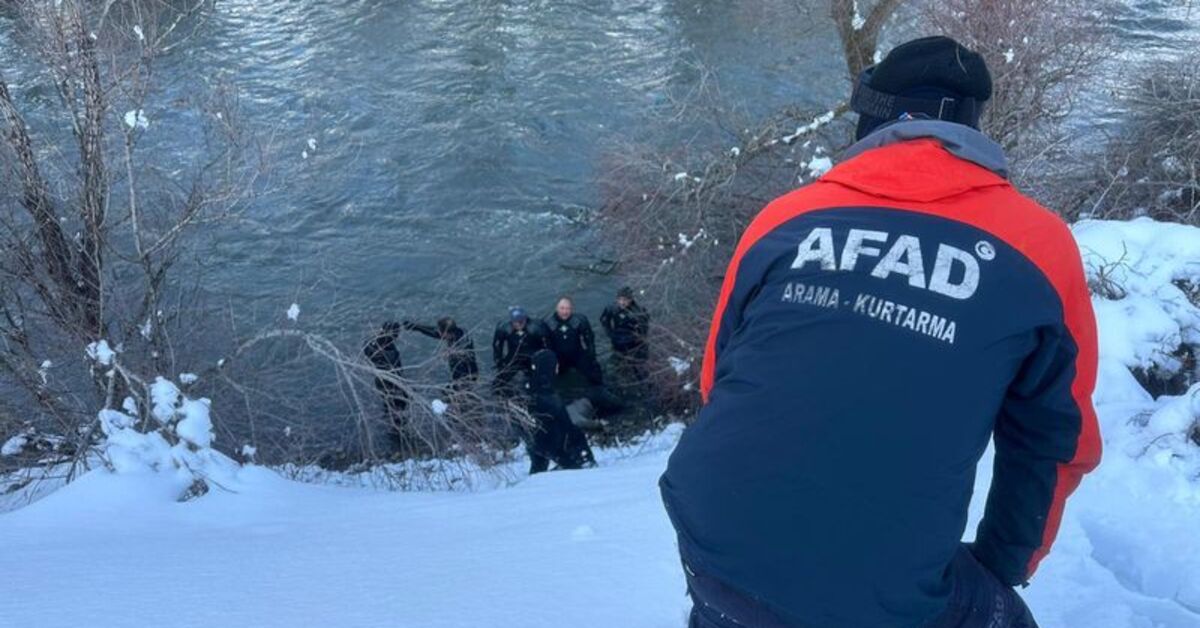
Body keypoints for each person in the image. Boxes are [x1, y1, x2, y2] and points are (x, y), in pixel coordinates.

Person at [659, 36, 1101, 628]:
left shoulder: (785, 217)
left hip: (712, 531)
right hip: (884, 585)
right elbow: (1052, 440)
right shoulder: (1038, 245)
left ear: (871, 117)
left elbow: (720, 380)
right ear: (973, 129)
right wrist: (1002, 563)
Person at [522, 348, 595, 474]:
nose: (557, 367)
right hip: (551, 444)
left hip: (537, 442)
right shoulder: (545, 391)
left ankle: (537, 474)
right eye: (555, 364)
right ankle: (582, 462)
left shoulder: (532, 385)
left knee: (538, 471)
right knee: (574, 438)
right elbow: (564, 424)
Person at [402, 317, 479, 385]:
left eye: (440, 331)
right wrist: (416, 327)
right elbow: (434, 331)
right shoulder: (457, 331)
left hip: (466, 376)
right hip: (465, 372)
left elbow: (461, 363)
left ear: (446, 333)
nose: (438, 333)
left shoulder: (460, 346)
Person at [492, 307, 548, 397]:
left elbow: (547, 345)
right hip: (514, 357)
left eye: (521, 321)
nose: (518, 324)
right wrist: (499, 362)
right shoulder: (504, 328)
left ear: (525, 319)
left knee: (541, 383)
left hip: (532, 357)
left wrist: (544, 362)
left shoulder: (537, 327)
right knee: (497, 383)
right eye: (515, 321)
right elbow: (497, 346)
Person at [544, 296, 602, 384]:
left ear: (572, 309)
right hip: (559, 357)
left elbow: (589, 339)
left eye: (568, 309)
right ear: (556, 308)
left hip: (577, 354)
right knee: (555, 381)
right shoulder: (548, 323)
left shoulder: (580, 320)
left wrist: (592, 356)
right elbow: (546, 345)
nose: (564, 312)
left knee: (594, 376)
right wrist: (551, 361)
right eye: (562, 308)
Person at [600, 286, 650, 381]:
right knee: (617, 362)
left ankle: (640, 379)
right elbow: (604, 320)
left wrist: (638, 339)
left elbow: (645, 329)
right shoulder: (612, 308)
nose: (622, 302)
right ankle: (619, 371)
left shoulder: (638, 311)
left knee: (638, 367)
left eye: (625, 300)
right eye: (620, 299)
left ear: (631, 299)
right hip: (617, 340)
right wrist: (610, 333)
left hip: (633, 342)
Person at [362, 321, 408, 419]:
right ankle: (397, 424)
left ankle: (390, 419)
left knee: (388, 404)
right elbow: (396, 370)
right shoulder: (391, 351)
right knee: (398, 405)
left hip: (380, 378)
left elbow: (366, 349)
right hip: (390, 380)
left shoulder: (372, 344)